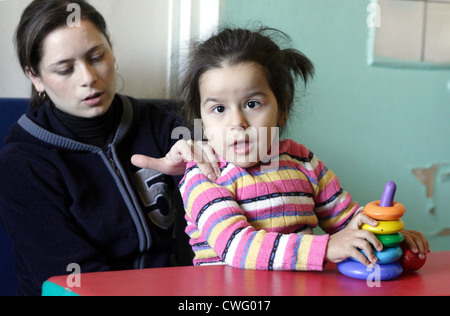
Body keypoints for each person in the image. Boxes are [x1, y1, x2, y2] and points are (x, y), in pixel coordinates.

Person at [0, 0, 216, 296]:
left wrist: (201, 163)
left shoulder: (161, 124)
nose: (88, 78)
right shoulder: (21, 164)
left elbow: (236, 177)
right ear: (34, 76)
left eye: (97, 56)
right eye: (65, 69)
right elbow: (78, 280)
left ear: (111, 50)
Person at [174, 27, 430, 271]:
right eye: (219, 109)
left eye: (252, 104)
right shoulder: (204, 176)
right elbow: (236, 246)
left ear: (282, 109)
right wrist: (327, 247)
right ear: (202, 123)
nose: (236, 123)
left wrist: (384, 235)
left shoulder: (303, 161)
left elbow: (347, 222)